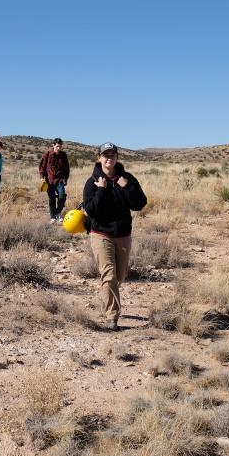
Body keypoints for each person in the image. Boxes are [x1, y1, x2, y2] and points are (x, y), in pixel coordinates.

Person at [81, 142, 147, 331]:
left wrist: (127, 188)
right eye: (105, 155)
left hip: (123, 233)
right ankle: (112, 316)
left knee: (121, 275)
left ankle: (107, 295)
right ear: (99, 158)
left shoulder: (127, 178)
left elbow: (140, 204)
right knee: (108, 275)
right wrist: (101, 190)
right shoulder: (92, 181)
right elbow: (91, 210)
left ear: (117, 157)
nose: (109, 158)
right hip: (100, 233)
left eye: (112, 155)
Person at [39, 137, 70, 223]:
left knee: (62, 197)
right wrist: (42, 177)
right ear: (53, 145)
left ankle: (58, 213)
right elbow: (42, 166)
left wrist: (66, 179)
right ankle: (52, 216)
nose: (59, 148)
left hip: (60, 180)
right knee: (51, 199)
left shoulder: (63, 155)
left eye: (60, 146)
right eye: (57, 146)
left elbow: (66, 167)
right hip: (49, 180)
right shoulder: (47, 154)